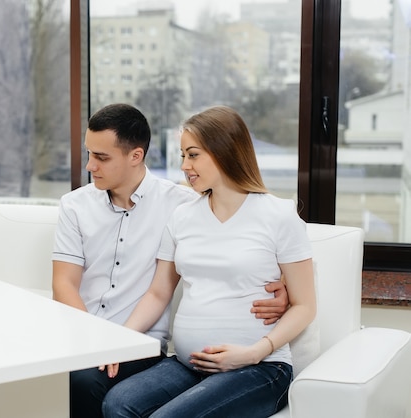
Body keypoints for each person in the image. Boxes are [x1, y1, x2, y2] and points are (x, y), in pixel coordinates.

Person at [52, 103, 291, 418]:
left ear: (135, 156)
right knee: (97, 387)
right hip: (95, 335)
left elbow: (246, 237)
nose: (89, 166)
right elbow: (64, 283)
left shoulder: (183, 204)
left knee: (90, 382)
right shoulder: (75, 205)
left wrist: (286, 286)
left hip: (145, 342)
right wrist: (100, 341)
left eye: (101, 157)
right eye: (89, 154)